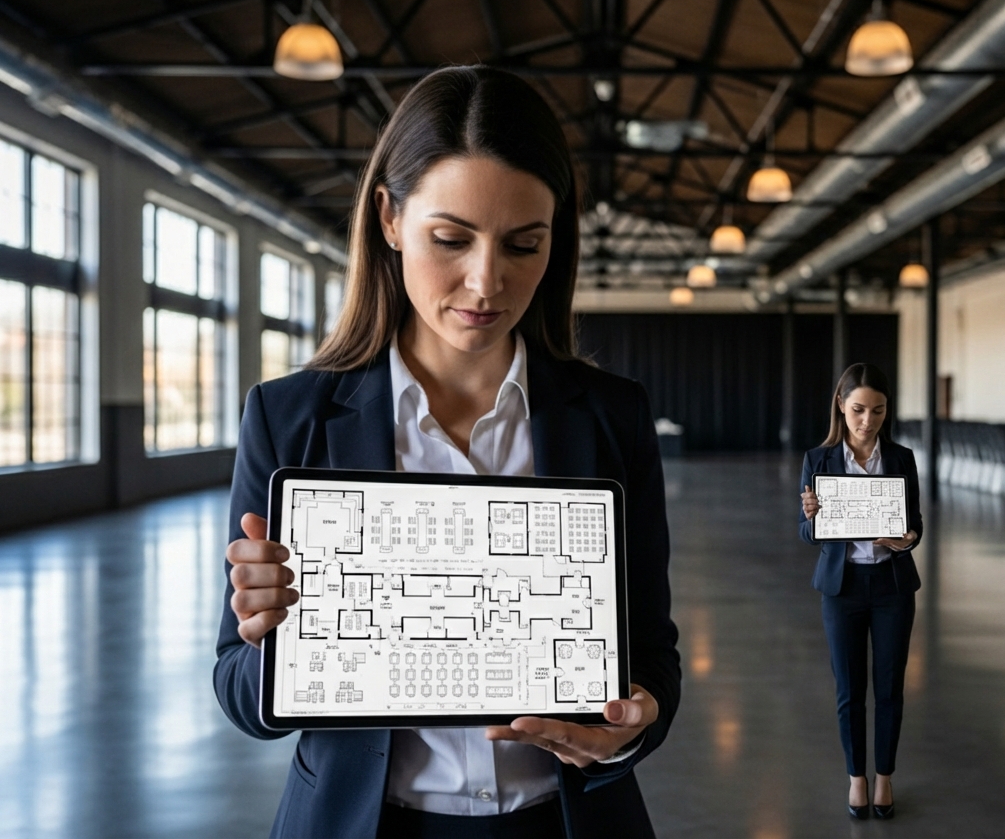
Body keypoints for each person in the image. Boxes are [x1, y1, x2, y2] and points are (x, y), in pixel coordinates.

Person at [213, 66, 680, 839]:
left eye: (524, 244)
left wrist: (631, 725)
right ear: (390, 218)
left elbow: (651, 651)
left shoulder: (611, 416)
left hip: (562, 824)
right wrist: (278, 642)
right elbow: (236, 687)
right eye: (451, 239)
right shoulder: (290, 417)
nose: (486, 281)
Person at [798, 363, 922, 821]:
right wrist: (812, 518)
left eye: (878, 410)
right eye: (858, 410)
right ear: (840, 405)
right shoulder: (819, 460)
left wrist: (908, 538)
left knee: (889, 688)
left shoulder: (902, 458)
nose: (867, 421)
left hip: (892, 587)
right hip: (842, 588)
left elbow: (915, 523)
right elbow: (806, 534)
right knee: (849, 690)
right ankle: (857, 777)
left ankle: (884, 776)